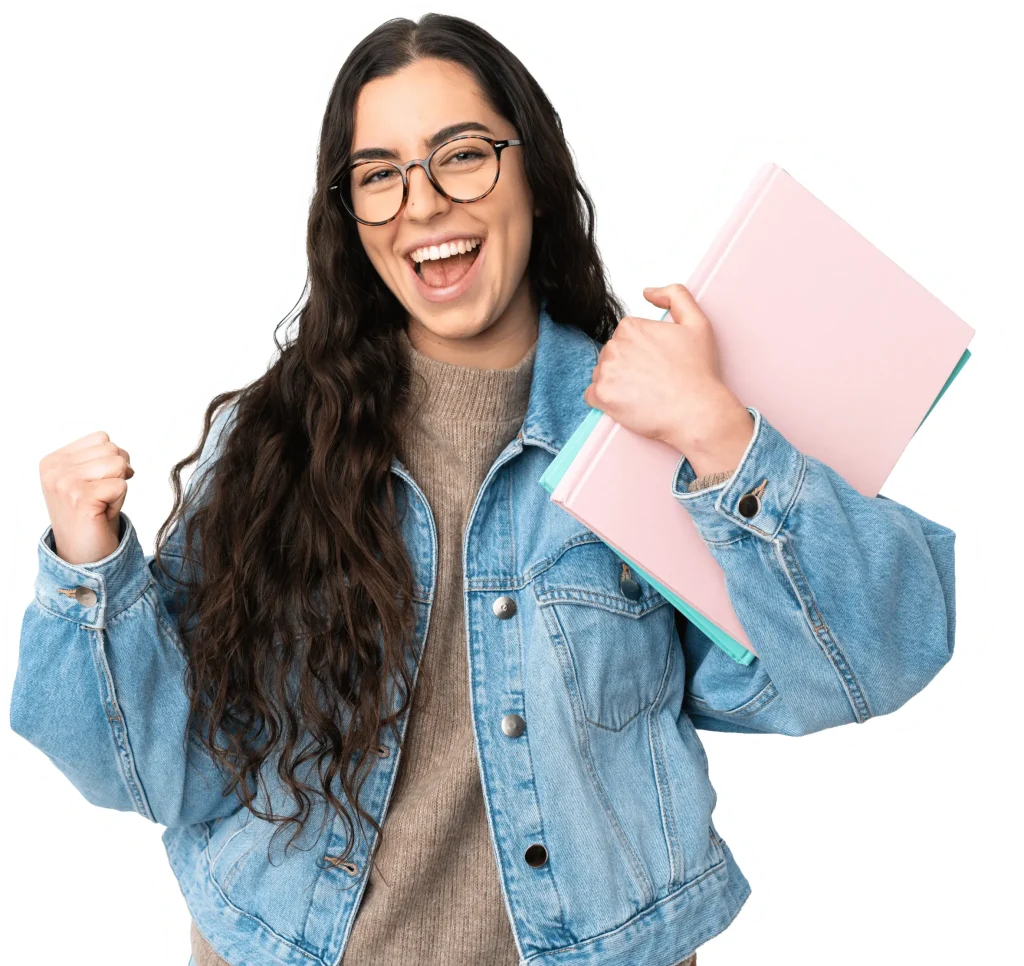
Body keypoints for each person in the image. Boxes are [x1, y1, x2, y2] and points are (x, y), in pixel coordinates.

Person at [9, 13, 957, 966]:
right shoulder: (272, 445)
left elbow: (867, 664)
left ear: (534, 177)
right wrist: (90, 567)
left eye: (461, 155)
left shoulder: (653, 429)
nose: (420, 204)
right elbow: (156, 771)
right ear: (352, 216)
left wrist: (719, 434)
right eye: (380, 175)